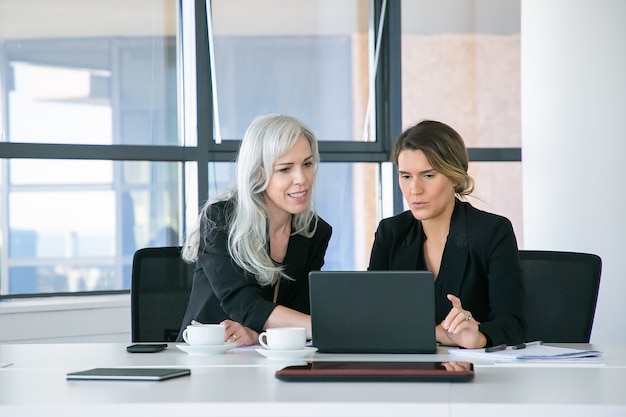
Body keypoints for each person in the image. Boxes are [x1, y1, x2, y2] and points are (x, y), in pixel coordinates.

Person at [368, 120, 526, 349]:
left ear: (454, 176)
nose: (415, 190)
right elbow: (371, 320)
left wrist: (478, 337)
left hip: (474, 373)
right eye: (406, 176)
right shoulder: (391, 233)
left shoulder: (492, 232)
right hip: (405, 369)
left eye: (428, 176)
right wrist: (438, 334)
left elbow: (513, 325)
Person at [178, 114, 332, 346]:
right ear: (258, 173)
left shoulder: (314, 232)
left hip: (270, 356)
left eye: (307, 164)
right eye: (285, 169)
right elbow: (246, 306)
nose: (302, 179)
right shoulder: (221, 220)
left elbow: (297, 315)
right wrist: (330, 327)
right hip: (208, 355)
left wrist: (258, 335)